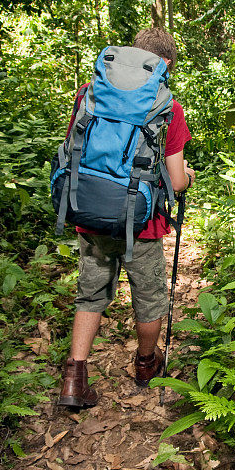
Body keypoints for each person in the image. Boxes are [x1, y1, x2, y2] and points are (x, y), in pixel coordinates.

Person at [58, 28, 195, 408]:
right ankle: (146, 364)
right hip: (142, 222)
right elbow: (178, 180)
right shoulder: (167, 105)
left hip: (89, 211)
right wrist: (187, 178)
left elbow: (75, 151)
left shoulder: (90, 92)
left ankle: (74, 379)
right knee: (149, 297)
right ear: (165, 63)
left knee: (91, 293)